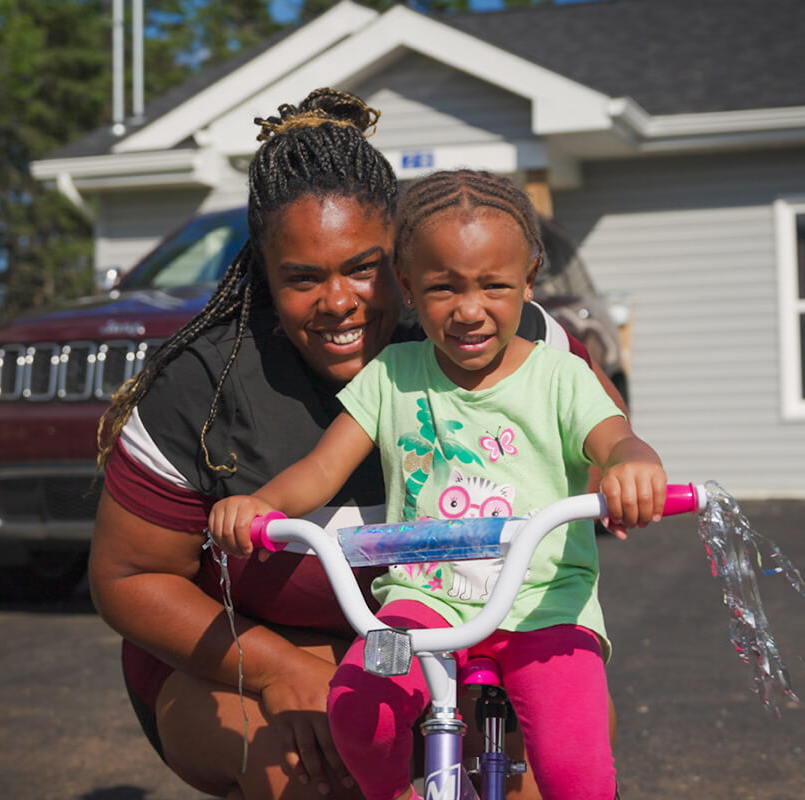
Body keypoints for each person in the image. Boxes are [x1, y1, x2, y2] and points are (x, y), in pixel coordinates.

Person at [90, 90, 626, 800]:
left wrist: (613, 479)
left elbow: (605, 445)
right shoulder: (205, 386)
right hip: (252, 650)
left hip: (454, 630)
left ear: (403, 260)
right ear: (265, 274)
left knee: (524, 767)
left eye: (363, 267)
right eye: (303, 277)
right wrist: (281, 669)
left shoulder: (501, 333)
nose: (339, 300)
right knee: (311, 770)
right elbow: (128, 578)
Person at [209, 170, 666, 800]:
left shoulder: (560, 377)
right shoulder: (393, 375)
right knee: (358, 702)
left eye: (494, 287)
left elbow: (615, 439)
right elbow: (320, 469)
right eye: (443, 288)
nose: (469, 310)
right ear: (407, 286)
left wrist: (632, 466)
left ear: (529, 281)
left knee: (575, 771)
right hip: (420, 602)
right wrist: (260, 505)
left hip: (543, 604)